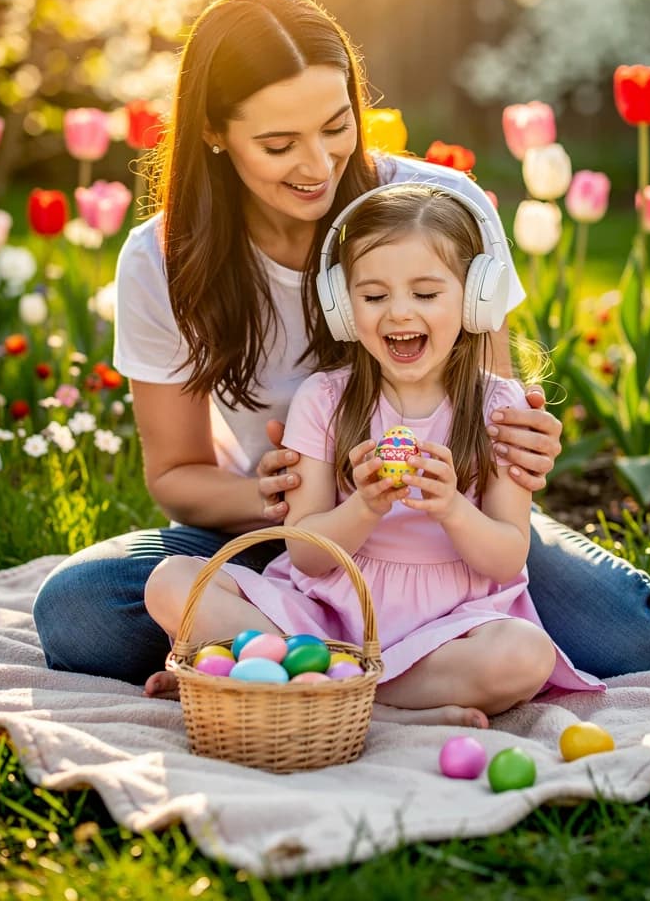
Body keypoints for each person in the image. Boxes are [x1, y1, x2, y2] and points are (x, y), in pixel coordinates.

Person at [31, 0, 650, 693]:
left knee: (632, 634)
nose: (318, 164)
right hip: (293, 536)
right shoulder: (160, 260)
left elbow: (484, 405)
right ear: (215, 132)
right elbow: (176, 477)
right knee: (80, 613)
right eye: (279, 144)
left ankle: (293, 671)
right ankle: (376, 676)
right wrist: (297, 495)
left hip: (443, 534)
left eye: (337, 126)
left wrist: (517, 447)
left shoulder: (440, 208)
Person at [145, 184, 604, 725]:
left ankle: (325, 695)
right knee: (170, 581)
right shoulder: (324, 399)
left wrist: (452, 508)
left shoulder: (499, 406)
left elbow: (506, 557)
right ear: (342, 306)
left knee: (525, 655)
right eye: (374, 295)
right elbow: (309, 555)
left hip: (448, 627)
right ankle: (351, 691)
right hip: (326, 619)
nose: (398, 313)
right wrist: (364, 506)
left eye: (427, 294)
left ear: (474, 297)